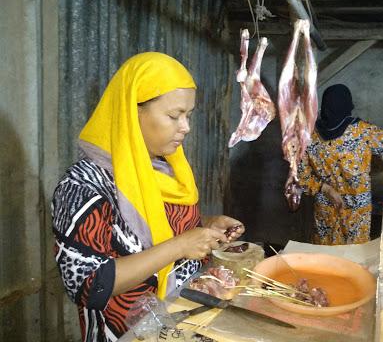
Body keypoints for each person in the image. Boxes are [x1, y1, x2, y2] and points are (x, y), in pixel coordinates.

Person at [51, 52, 244, 341]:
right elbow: (88, 286)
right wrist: (180, 246)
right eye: (173, 115)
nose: (186, 127)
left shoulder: (164, 165)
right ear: (132, 111)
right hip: (126, 332)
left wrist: (205, 225)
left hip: (180, 320)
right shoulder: (83, 186)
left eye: (188, 115)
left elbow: (156, 223)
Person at [297, 84, 383, 245]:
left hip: (326, 204)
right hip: (357, 209)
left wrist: (327, 189)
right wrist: (379, 162)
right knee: (354, 257)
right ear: (349, 105)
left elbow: (302, 177)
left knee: (325, 256)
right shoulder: (363, 131)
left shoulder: (308, 135)